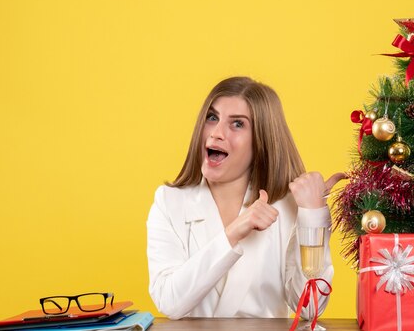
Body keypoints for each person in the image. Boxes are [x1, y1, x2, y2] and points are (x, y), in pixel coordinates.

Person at [147, 76, 345, 319]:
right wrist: (233, 233)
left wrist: (313, 216)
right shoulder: (168, 202)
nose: (217, 133)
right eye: (212, 118)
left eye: (237, 124)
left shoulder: (290, 207)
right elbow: (169, 302)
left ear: (261, 140)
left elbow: (310, 307)